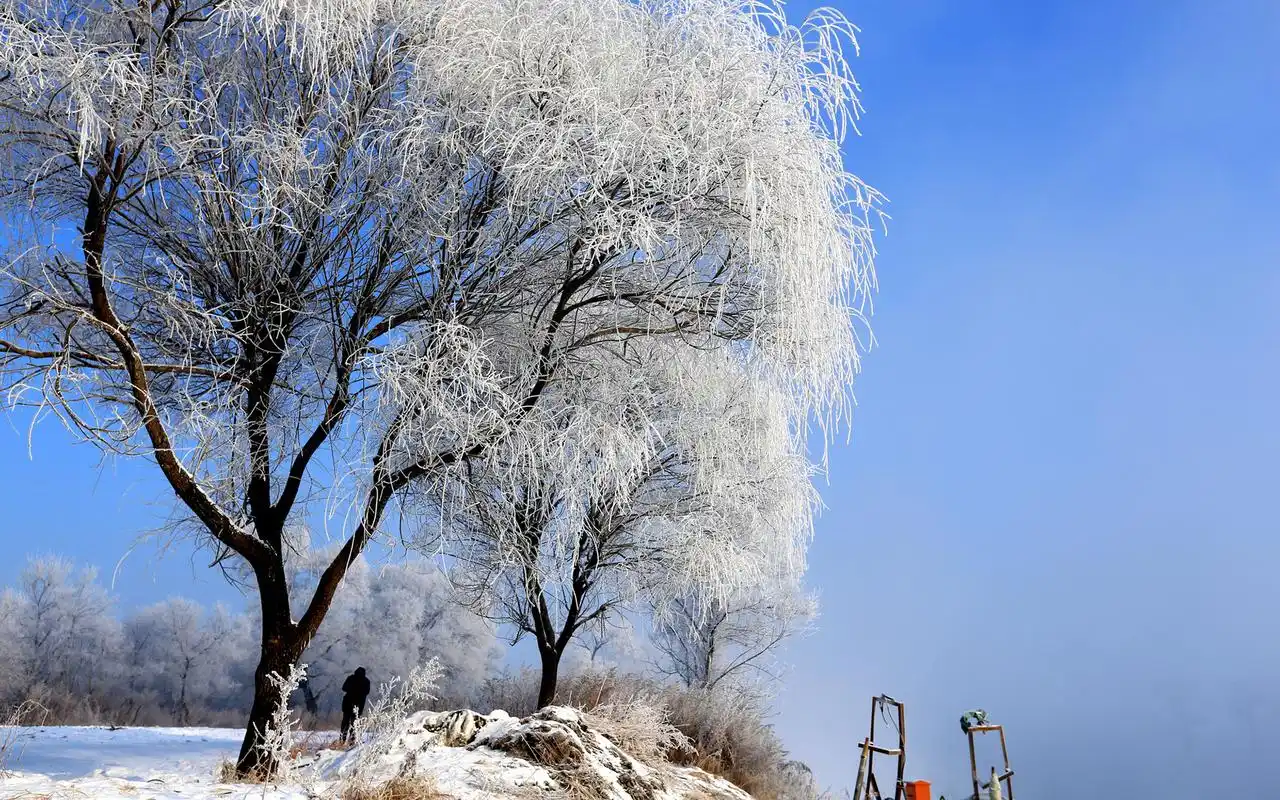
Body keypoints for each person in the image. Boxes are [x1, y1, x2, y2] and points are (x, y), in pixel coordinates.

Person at [340, 667, 371, 744]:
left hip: (348, 703)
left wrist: (351, 690)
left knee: (345, 723)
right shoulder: (366, 681)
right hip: (358, 705)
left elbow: (344, 688)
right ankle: (352, 741)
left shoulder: (351, 678)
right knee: (354, 724)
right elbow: (367, 692)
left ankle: (342, 740)